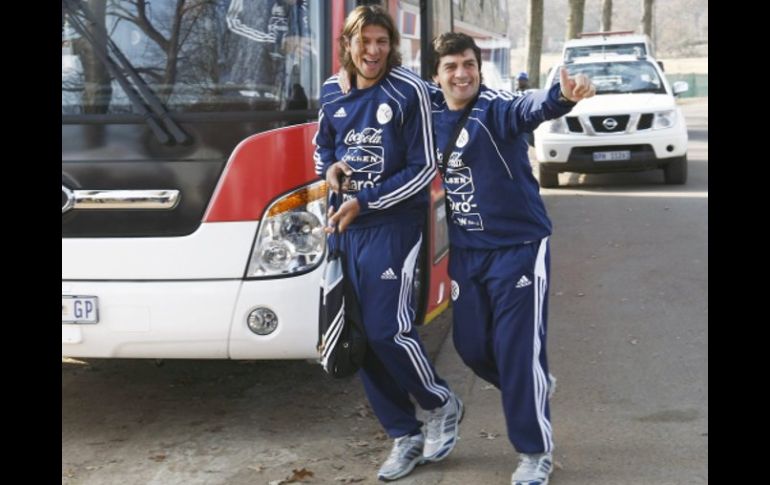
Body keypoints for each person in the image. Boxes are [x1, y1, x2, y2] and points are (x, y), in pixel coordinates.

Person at [429, 32, 594, 485]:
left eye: (469, 64)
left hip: (519, 248)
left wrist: (562, 95)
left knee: (517, 353)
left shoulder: (496, 109)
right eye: (451, 67)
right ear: (437, 75)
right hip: (468, 253)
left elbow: (533, 107)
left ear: (479, 69)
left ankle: (534, 451)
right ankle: (534, 386)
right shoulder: (432, 113)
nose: (462, 74)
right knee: (472, 346)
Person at [312, 6, 462, 482]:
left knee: (387, 330)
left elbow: (422, 170)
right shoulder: (331, 91)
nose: (373, 51)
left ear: (392, 45)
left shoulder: (409, 91)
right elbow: (323, 148)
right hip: (345, 227)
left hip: (393, 226)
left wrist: (368, 203)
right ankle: (404, 434)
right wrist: (331, 170)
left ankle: (440, 403)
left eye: (381, 41)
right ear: (348, 44)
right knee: (360, 338)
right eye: (364, 41)